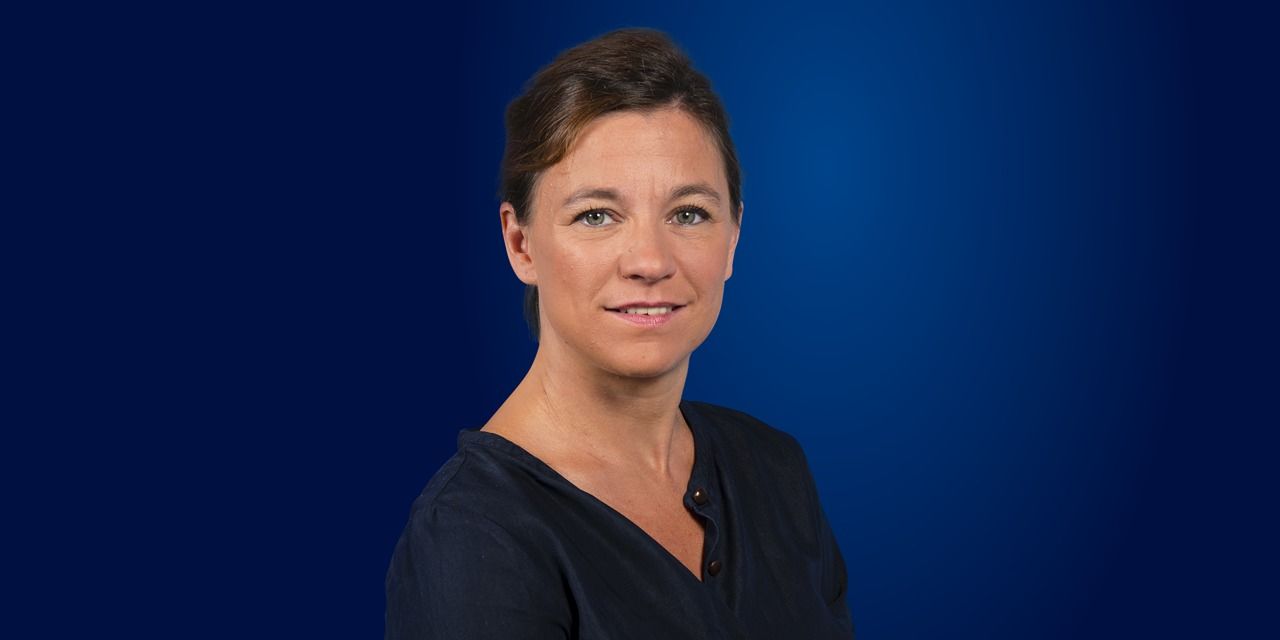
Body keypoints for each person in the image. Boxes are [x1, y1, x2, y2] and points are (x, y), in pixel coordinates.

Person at [386, 27, 854, 639]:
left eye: (689, 213)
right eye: (596, 216)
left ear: (734, 236)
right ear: (521, 244)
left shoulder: (775, 469)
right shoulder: (472, 534)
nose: (650, 261)